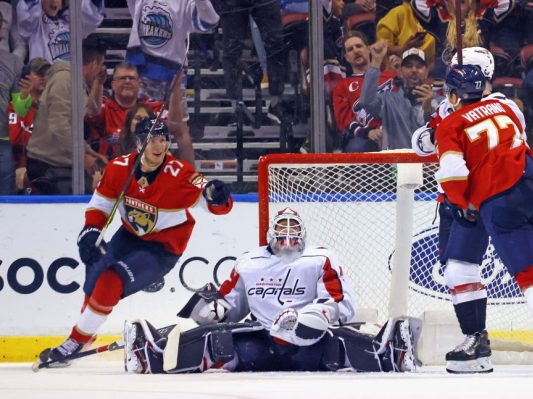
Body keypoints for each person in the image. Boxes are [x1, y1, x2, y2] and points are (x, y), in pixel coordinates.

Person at [36, 116, 234, 367]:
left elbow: (213, 200)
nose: (158, 146)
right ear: (140, 143)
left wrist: (218, 196)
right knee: (95, 273)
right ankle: (87, 334)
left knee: (111, 279)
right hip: (129, 236)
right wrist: (90, 231)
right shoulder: (119, 168)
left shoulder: (179, 174)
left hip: (162, 247)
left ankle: (75, 340)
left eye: (163, 140)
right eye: (152, 140)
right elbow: (101, 204)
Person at [123, 208, 421, 373]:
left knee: (335, 346)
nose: (288, 235)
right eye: (283, 228)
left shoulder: (321, 257)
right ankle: (151, 353)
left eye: (294, 228)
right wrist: (214, 309)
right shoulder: (249, 262)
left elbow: (343, 304)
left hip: (310, 343)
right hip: (260, 343)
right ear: (271, 233)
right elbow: (231, 306)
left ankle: (391, 351)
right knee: (219, 341)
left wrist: (314, 315)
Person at [434, 64, 533, 373]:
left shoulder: (449, 122)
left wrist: (463, 204)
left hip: (496, 201)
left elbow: (452, 173)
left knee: (506, 274)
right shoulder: (504, 107)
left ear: (453, 95)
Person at [125, 0, 219, 165]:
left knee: (179, 130)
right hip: (141, 71)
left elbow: (210, 21)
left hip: (173, 77)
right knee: (135, 128)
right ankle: (132, 178)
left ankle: (189, 181)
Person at [25, 36, 105, 195]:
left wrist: (91, 154)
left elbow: (91, 112)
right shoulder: (65, 79)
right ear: (95, 64)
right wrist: (83, 156)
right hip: (47, 164)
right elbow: (60, 125)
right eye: (100, 66)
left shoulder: (75, 81)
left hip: (60, 161)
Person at [358, 40, 432, 150]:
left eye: (419, 66)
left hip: (429, 165)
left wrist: (428, 111)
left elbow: (442, 136)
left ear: (426, 72)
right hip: (397, 164)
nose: (414, 70)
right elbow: (366, 102)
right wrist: (376, 61)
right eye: (408, 66)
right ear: (400, 72)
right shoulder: (388, 100)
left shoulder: (440, 102)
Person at [333, 30, 397, 152]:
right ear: (346, 58)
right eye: (350, 49)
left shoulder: (391, 76)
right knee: (356, 147)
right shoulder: (342, 87)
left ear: (368, 49)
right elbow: (345, 123)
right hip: (366, 137)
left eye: (359, 46)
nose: (356, 51)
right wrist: (368, 132)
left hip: (396, 131)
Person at [8, 57, 51, 193]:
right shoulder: (14, 107)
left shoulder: (54, 108)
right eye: (39, 74)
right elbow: (14, 141)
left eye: (47, 74)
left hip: (48, 167)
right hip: (20, 168)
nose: (44, 78)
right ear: (25, 78)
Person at [16, 0, 104, 62]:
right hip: (44, 79)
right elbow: (26, 13)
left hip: (69, 81)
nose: (53, 1)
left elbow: (92, 15)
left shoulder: (72, 23)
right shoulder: (36, 25)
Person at [0, 12, 23, 195]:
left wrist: (26, 95)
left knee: (6, 197)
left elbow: (20, 109)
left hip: (3, 142)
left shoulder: (13, 62)